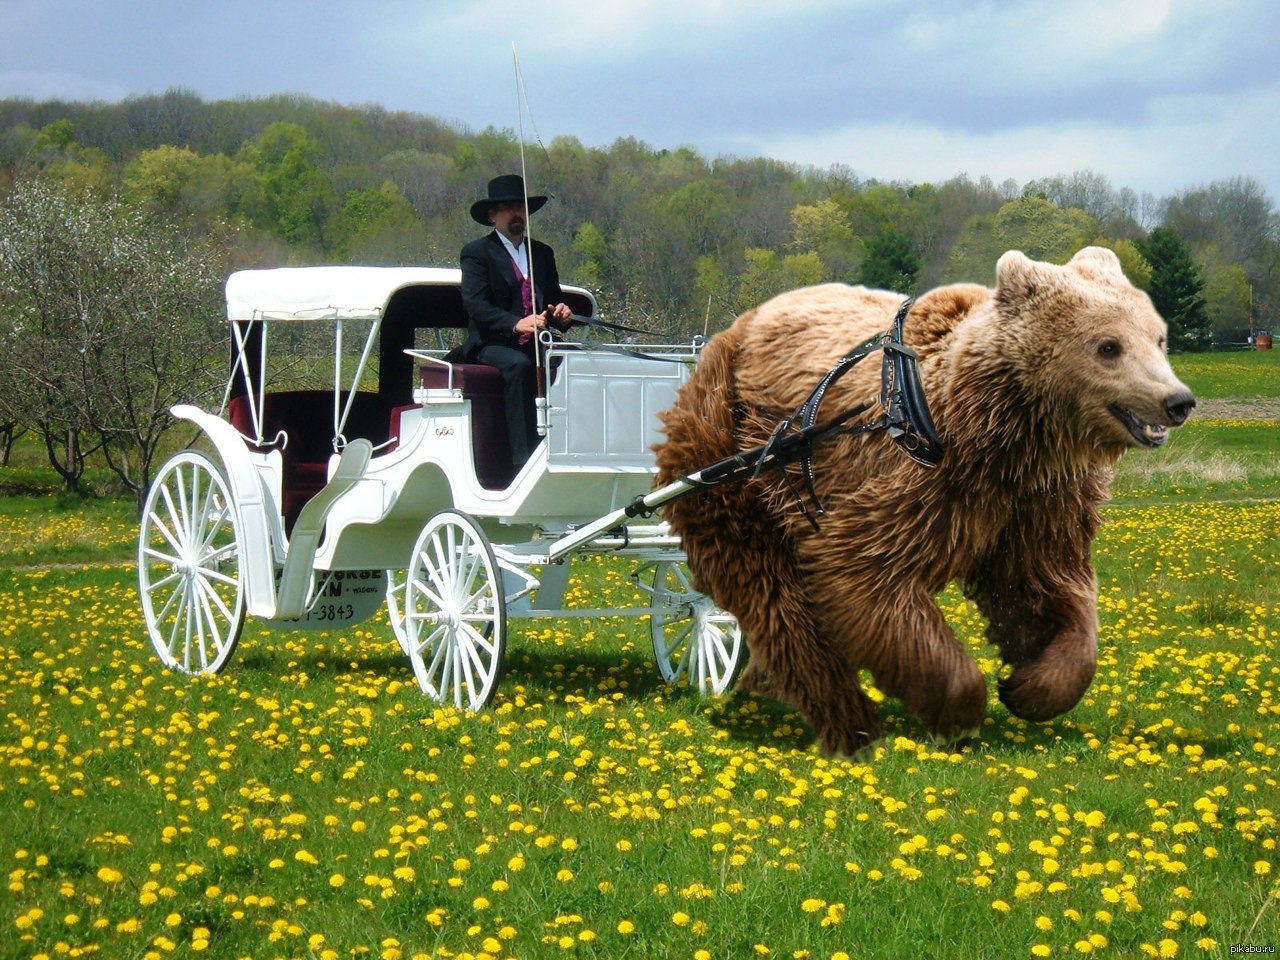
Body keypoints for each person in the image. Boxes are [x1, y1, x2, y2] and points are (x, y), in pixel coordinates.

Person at [460, 174, 573, 468]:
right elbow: (476, 306)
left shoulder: (542, 253)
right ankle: (523, 462)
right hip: (492, 343)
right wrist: (515, 323)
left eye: (521, 207)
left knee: (576, 362)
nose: (517, 214)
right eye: (509, 208)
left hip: (537, 341)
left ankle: (571, 449)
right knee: (519, 365)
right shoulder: (476, 254)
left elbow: (553, 301)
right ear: (492, 216)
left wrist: (560, 314)